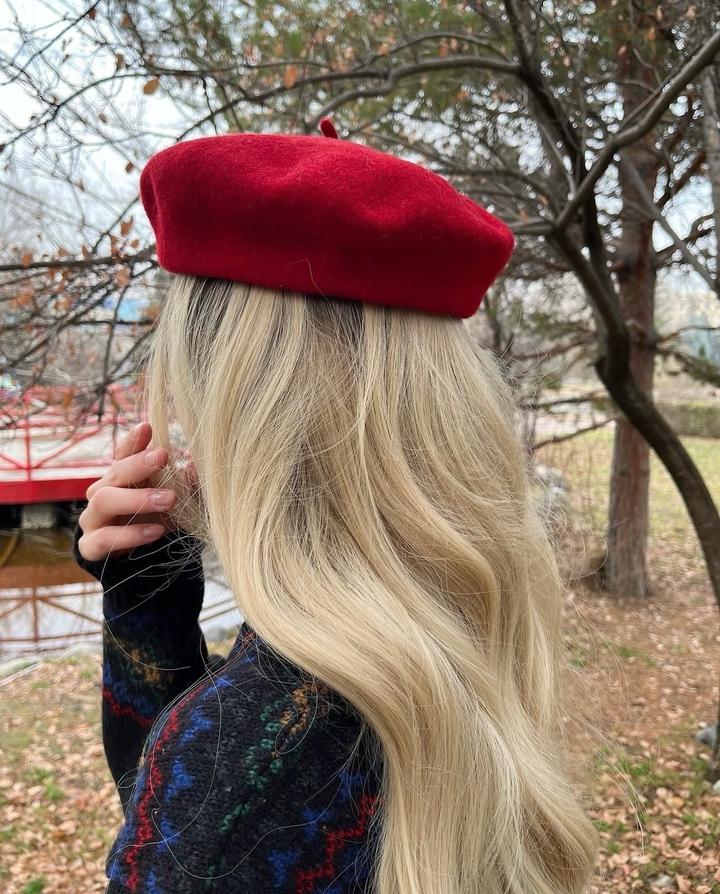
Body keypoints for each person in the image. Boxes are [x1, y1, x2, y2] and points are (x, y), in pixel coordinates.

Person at [72, 119, 599, 893]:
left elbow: (197, 821)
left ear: (241, 404)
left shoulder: (244, 767)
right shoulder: (455, 626)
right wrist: (148, 601)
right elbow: (183, 805)